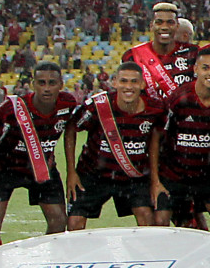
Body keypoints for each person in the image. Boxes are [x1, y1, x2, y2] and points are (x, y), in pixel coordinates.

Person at [0, 60, 73, 247]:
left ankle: (45, 264)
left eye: (52, 83)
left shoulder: (67, 103)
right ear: (33, 85)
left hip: (42, 168)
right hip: (6, 168)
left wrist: (71, 171)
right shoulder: (9, 110)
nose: (46, 88)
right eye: (41, 83)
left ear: (61, 85)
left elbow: (71, 127)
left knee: (59, 220)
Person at [63, 61, 164, 231]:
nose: (128, 86)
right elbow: (72, 127)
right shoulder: (98, 106)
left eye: (134, 81)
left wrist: (155, 180)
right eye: (123, 81)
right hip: (93, 174)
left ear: (142, 84)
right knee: (74, 222)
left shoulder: (155, 109)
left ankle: (147, 256)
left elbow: (156, 139)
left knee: (147, 217)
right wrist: (71, 172)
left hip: (133, 177)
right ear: (114, 82)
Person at [150, 46, 210, 237]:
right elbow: (156, 138)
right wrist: (155, 181)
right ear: (195, 69)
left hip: (208, 176)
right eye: (205, 68)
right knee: (160, 221)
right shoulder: (179, 98)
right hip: (174, 174)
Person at [123, 1, 194, 103]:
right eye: (159, 22)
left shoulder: (194, 53)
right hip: (148, 117)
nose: (164, 27)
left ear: (177, 26)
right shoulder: (132, 56)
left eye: (170, 22)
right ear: (151, 26)